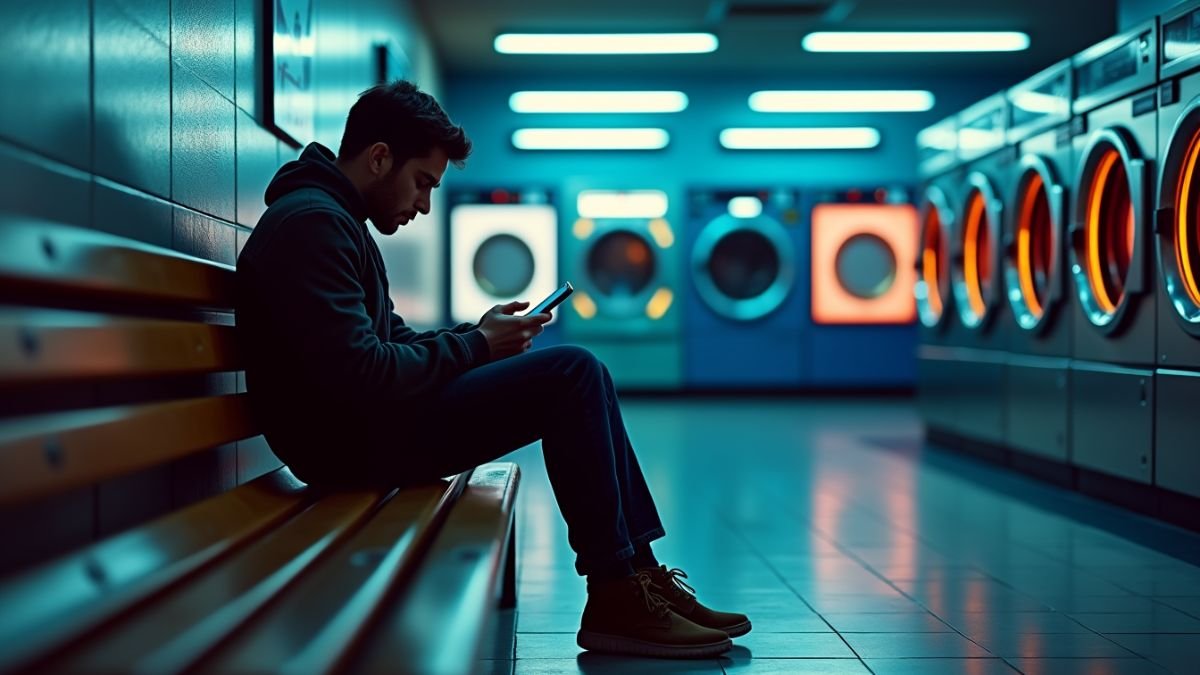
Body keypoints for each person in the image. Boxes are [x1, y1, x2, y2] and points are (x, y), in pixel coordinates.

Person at [235, 80, 750, 659]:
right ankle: (616, 593)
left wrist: (476, 336)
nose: (424, 204)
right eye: (423, 182)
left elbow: (389, 342)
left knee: (585, 374)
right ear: (379, 158)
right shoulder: (314, 225)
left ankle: (638, 576)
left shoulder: (333, 220)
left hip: (363, 429)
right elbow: (362, 374)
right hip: (346, 447)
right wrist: (478, 346)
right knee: (571, 374)